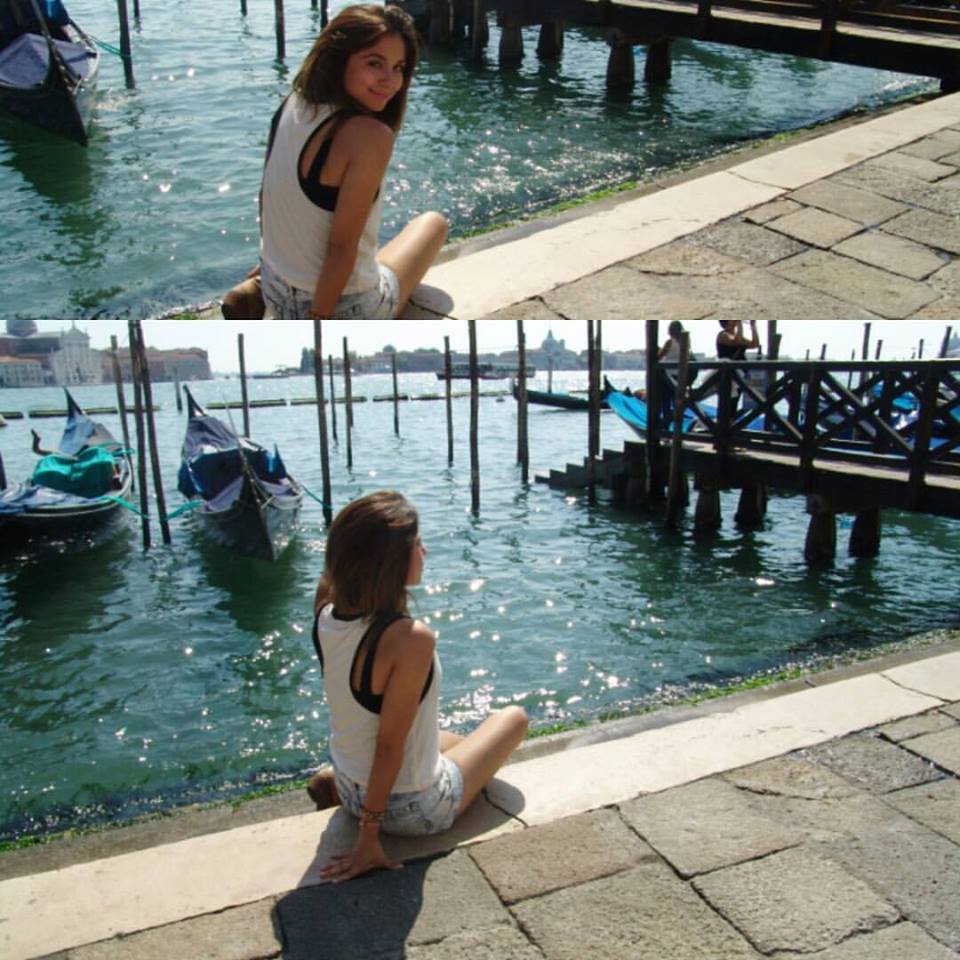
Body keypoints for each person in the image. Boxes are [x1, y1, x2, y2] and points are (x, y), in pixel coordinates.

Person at [309, 491, 528, 883]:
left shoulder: (325, 608)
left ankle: (336, 785)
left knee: (450, 739)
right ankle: (378, 811)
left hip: (348, 781)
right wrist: (368, 840)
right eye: (417, 545)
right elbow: (388, 748)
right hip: (412, 809)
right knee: (513, 719)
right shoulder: (410, 639)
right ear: (391, 564)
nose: (425, 552)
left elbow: (335, 573)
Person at [257, 4, 447, 320]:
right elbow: (341, 248)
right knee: (433, 224)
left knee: (375, 253)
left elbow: (266, 196)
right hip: (342, 306)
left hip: (274, 286)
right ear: (338, 60)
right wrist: (319, 323)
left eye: (399, 67)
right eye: (375, 63)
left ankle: (253, 291)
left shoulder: (292, 102)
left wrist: (273, 265)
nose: (391, 81)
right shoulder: (368, 136)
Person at [716, 319, 760, 412]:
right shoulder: (723, 335)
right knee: (728, 403)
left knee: (735, 403)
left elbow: (755, 344)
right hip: (728, 375)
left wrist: (753, 326)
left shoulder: (737, 336)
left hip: (740, 374)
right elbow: (737, 341)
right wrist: (740, 324)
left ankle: (731, 419)